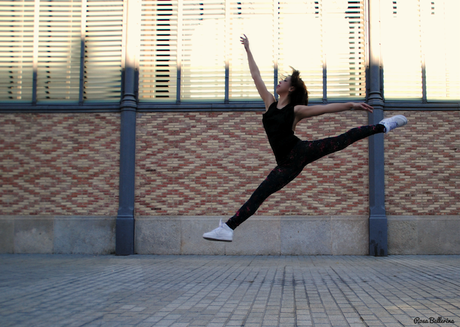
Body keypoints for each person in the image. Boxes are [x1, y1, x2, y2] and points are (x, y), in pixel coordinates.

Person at [203, 35, 407, 242]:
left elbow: (325, 109)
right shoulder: (270, 104)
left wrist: (352, 105)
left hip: (299, 151)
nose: (279, 82)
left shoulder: (296, 110)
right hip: (285, 165)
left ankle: (382, 126)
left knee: (342, 139)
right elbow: (256, 76)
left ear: (290, 88)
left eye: (283, 81)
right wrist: (248, 51)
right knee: (259, 195)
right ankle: (228, 229)